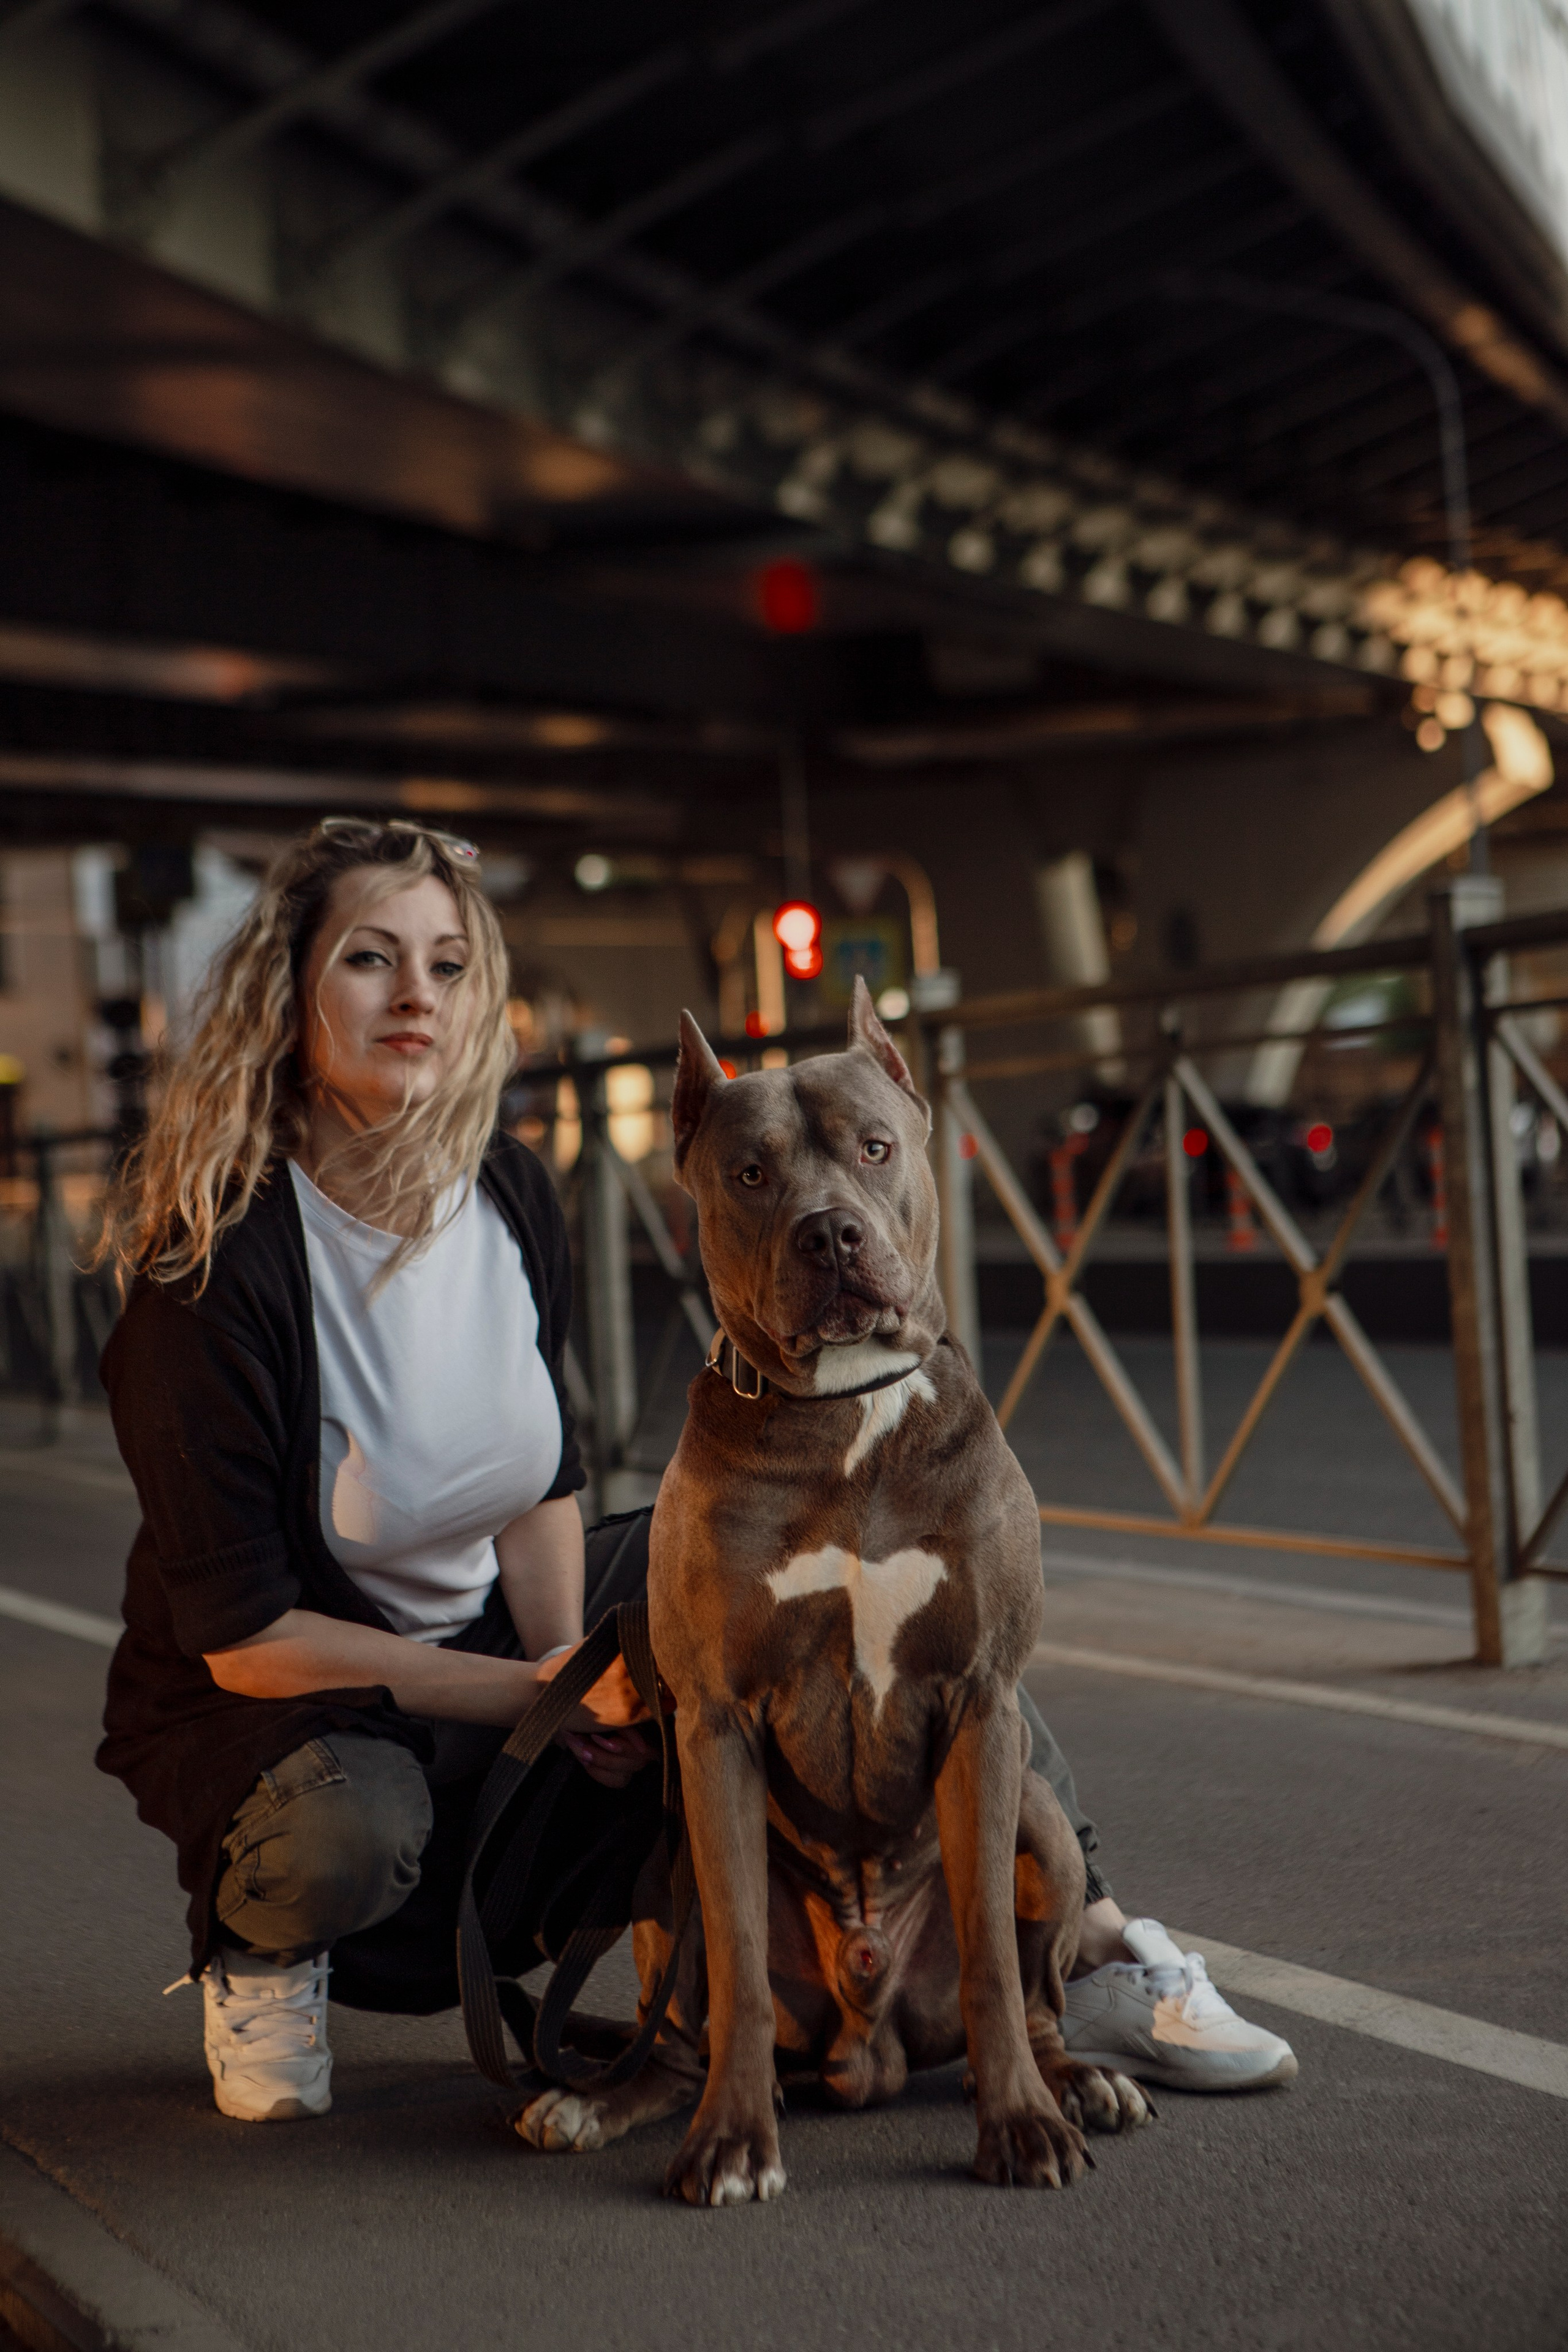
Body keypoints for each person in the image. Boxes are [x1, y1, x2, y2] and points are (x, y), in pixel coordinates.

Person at [95, 818, 1293, 2125]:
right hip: (296, 1693)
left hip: (496, 1631)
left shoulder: (501, 1188)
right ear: (292, 991)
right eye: (370, 961)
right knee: (349, 1832)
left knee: (901, 1600)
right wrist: (541, 1690)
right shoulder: (211, 1269)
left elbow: (540, 1488)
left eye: (446, 965)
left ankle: (1093, 1944)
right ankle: (263, 1957)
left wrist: (576, 1655)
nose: (414, 998)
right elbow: (244, 1638)